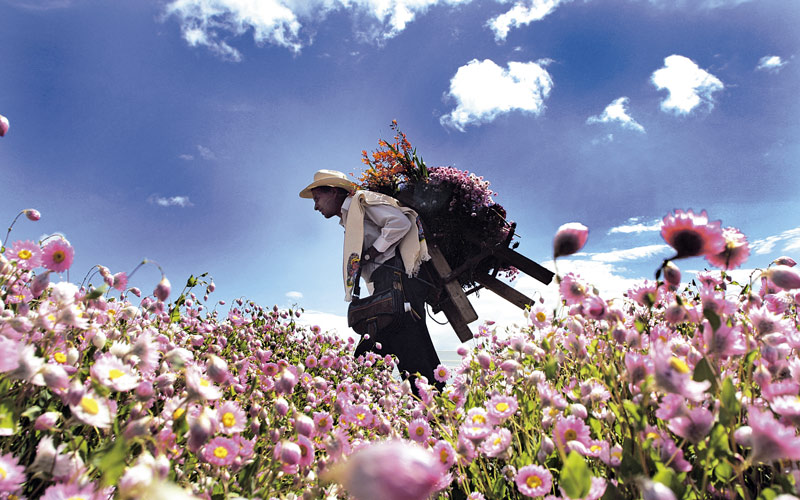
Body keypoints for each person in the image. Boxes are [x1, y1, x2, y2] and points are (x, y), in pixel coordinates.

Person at [300, 170, 444, 395]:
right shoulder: (352, 214)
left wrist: (370, 254)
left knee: (407, 351)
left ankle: (433, 409)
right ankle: (427, 407)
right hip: (388, 283)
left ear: (334, 192)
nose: (316, 207)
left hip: (399, 282)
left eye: (317, 198)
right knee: (398, 352)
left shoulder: (362, 202)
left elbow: (399, 223)